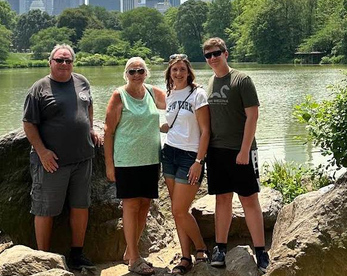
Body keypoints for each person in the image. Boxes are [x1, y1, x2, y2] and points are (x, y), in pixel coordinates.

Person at [22, 44, 102, 270]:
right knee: (45, 209)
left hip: (83, 158)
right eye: (59, 60)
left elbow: (89, 105)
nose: (64, 64)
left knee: (80, 206)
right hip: (52, 163)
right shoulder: (39, 89)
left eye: (68, 60)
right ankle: (43, 259)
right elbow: (28, 124)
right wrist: (42, 151)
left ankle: (77, 253)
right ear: (50, 62)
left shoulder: (82, 81)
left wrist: (91, 128)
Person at [202, 37, 269, 270]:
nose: (212, 58)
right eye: (208, 55)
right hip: (216, 152)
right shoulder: (209, 83)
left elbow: (253, 116)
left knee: (249, 199)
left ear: (225, 53)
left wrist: (243, 150)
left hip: (241, 151)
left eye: (216, 53)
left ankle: (261, 251)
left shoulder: (242, 80)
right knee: (222, 199)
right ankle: (220, 247)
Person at [104, 57, 166, 275]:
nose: (137, 74)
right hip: (127, 161)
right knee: (131, 206)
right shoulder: (119, 96)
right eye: (132, 71)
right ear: (126, 74)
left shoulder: (151, 92)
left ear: (146, 73)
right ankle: (134, 259)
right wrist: (109, 165)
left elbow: (178, 100)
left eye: (140, 70)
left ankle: (130, 251)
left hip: (150, 159)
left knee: (145, 205)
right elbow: (108, 132)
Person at [160, 54, 211, 275]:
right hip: (169, 153)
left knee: (179, 210)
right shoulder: (170, 95)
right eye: (174, 70)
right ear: (170, 73)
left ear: (188, 72)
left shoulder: (197, 94)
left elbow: (206, 131)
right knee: (176, 209)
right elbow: (173, 124)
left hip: (190, 156)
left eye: (182, 69)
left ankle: (201, 248)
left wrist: (199, 161)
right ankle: (184, 256)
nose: (178, 73)